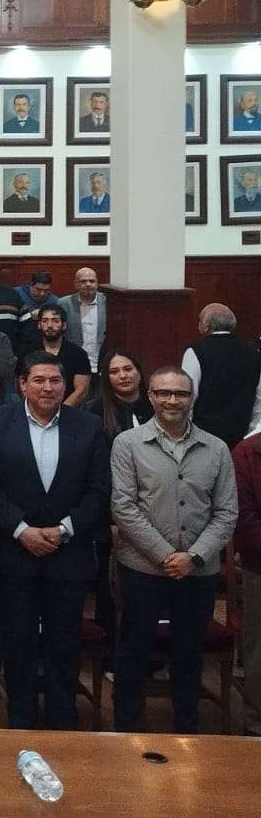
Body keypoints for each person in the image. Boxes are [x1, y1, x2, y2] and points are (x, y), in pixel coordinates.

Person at [0, 354, 110, 730]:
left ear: (66, 386)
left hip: (68, 555)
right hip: (13, 554)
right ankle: (20, 720)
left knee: (64, 644)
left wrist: (64, 529)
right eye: (38, 380)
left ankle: (62, 723)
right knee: (17, 643)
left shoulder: (88, 426)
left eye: (55, 380)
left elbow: (99, 491)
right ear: (22, 384)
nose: (47, 388)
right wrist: (22, 530)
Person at [111, 366, 238, 733]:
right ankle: (125, 730)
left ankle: (187, 731)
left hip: (198, 570)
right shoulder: (128, 444)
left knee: (189, 652)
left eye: (181, 394)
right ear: (151, 396)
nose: (172, 400)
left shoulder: (216, 448)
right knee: (134, 649)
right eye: (164, 393)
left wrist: (193, 557)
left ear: (192, 399)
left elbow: (227, 512)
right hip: (143, 568)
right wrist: (166, 555)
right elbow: (123, 507)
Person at [179, 303, 261, 448]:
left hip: (203, 437)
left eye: (199, 321)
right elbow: (259, 398)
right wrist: (251, 433)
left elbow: (187, 395)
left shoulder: (196, 351)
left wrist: (185, 435)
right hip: (240, 436)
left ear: (206, 325)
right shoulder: (252, 353)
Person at [232, 423, 261, 737]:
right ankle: (256, 726)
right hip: (260, 567)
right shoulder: (247, 452)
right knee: (259, 652)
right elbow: (243, 518)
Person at [31, 306, 92, 407]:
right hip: (35, 408)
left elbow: (81, 390)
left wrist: (61, 411)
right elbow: (23, 385)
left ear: (64, 325)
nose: (49, 325)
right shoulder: (28, 352)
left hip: (68, 410)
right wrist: (37, 409)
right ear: (39, 325)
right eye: (45, 321)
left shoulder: (78, 354)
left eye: (55, 321)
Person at [58, 267, 107, 374]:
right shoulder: (63, 304)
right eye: (83, 281)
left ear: (97, 283)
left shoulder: (108, 302)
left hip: (102, 364)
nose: (88, 284)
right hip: (73, 364)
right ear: (76, 284)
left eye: (92, 281)